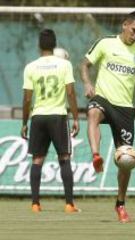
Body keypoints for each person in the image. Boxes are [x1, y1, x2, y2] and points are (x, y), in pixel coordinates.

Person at [80, 10, 135, 223]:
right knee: (92, 113)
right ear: (124, 25)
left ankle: (120, 204)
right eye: (134, 30)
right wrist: (88, 83)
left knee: (126, 161)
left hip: (125, 108)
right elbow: (84, 64)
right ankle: (95, 155)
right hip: (103, 98)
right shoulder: (106, 43)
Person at [21, 29, 80, 213]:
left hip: (38, 117)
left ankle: (35, 204)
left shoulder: (31, 67)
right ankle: (69, 204)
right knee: (64, 157)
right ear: (55, 45)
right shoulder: (64, 65)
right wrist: (76, 117)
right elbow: (70, 92)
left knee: (37, 160)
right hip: (58, 116)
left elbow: (27, 99)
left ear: (39, 46)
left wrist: (24, 122)